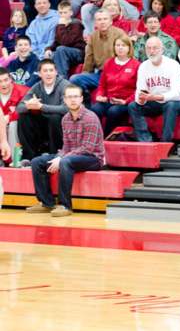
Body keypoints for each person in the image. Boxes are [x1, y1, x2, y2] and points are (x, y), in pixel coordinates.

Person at [26, 84, 103, 217]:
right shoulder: (65, 119)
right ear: (65, 100)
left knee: (65, 162)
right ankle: (47, 203)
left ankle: (65, 205)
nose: (73, 100)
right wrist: (60, 155)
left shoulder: (90, 117)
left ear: (81, 99)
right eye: (69, 97)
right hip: (71, 156)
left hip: (93, 158)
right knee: (37, 161)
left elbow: (87, 148)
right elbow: (66, 146)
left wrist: (61, 158)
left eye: (75, 96)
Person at [129, 37, 180, 143]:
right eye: (149, 48)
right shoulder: (143, 66)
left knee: (170, 105)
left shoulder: (173, 65)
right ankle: (145, 141)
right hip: (154, 102)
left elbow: (176, 93)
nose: (151, 51)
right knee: (133, 106)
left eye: (155, 48)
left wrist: (155, 97)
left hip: (178, 103)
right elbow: (140, 90)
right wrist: (141, 99)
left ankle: (165, 142)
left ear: (162, 50)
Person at [16, 59, 68, 160]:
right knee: (24, 117)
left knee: (54, 117)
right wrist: (29, 105)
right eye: (45, 71)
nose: (48, 74)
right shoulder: (37, 87)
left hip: (61, 125)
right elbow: (19, 108)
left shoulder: (64, 85)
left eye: (51, 70)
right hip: (43, 125)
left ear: (56, 72)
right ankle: (28, 157)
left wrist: (41, 107)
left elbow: (66, 108)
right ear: (39, 74)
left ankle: (55, 154)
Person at [71, 9, 128, 97]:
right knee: (75, 79)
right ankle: (87, 101)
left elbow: (128, 56)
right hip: (101, 75)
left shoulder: (120, 34)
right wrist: (85, 73)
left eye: (105, 19)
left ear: (111, 21)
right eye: (99, 20)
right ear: (95, 23)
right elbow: (89, 59)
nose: (102, 22)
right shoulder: (93, 37)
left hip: (118, 75)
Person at [91, 36, 139, 135]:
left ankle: (106, 137)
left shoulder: (136, 65)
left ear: (129, 48)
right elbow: (102, 84)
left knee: (113, 111)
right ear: (114, 48)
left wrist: (126, 101)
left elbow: (139, 89)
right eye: (117, 45)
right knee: (95, 109)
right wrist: (100, 95)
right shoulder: (109, 63)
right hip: (109, 99)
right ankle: (95, 136)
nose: (120, 48)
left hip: (125, 102)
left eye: (123, 45)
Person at [51, 0, 86, 78]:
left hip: (78, 52)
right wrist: (49, 49)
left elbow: (66, 42)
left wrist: (61, 26)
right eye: (61, 13)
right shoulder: (59, 26)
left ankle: (62, 79)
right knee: (51, 55)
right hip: (65, 52)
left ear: (71, 13)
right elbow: (57, 41)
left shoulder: (76, 24)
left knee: (61, 49)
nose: (63, 15)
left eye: (65, 12)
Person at [0, 67, 27, 152]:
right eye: (0, 81)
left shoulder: (23, 91)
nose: (3, 84)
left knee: (13, 124)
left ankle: (14, 160)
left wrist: (9, 117)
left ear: (11, 79)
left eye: (6, 80)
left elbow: (28, 110)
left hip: (20, 127)